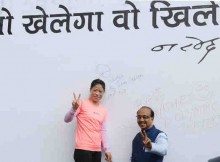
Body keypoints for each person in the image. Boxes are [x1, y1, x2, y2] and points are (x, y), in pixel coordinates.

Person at [64, 79, 112, 162]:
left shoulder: (103, 110)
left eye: (100, 91)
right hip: (83, 149)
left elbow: (103, 131)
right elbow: (67, 119)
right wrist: (74, 109)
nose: (97, 93)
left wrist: (107, 149)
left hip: (97, 150)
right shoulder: (81, 103)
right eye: (95, 90)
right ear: (90, 90)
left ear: (103, 93)